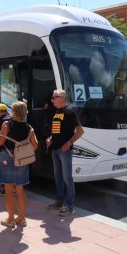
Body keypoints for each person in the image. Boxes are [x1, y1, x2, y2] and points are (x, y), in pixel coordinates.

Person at [0, 101, 38, 227]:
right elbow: (35, 145)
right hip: (22, 159)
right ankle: (22, 218)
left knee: (8, 189)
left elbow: (0, 142)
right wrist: (22, 148)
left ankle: (11, 219)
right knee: (20, 189)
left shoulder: (7, 124)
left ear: (13, 111)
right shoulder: (29, 127)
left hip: (7, 157)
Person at [46, 89, 84, 217]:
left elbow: (80, 131)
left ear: (61, 98)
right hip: (55, 149)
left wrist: (69, 143)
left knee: (67, 178)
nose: (52, 100)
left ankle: (69, 206)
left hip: (64, 150)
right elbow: (57, 130)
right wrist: (50, 138)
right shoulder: (56, 111)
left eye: (53, 97)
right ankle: (60, 201)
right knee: (58, 176)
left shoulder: (70, 112)